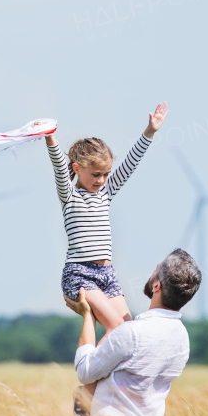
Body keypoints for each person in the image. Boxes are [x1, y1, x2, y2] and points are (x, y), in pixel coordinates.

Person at [64, 248, 202, 416]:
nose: (152, 272)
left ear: (157, 286)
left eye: (156, 269)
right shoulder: (182, 339)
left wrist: (87, 315)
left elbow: (85, 370)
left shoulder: (133, 334)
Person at [44, 101, 167, 335]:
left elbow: (130, 164)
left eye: (106, 174)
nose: (102, 180)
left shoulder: (105, 193)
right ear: (77, 168)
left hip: (108, 275)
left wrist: (149, 132)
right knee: (116, 327)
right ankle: (91, 367)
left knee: (129, 332)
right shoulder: (70, 196)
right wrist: (50, 138)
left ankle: (105, 370)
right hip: (79, 275)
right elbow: (60, 168)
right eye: (96, 174)